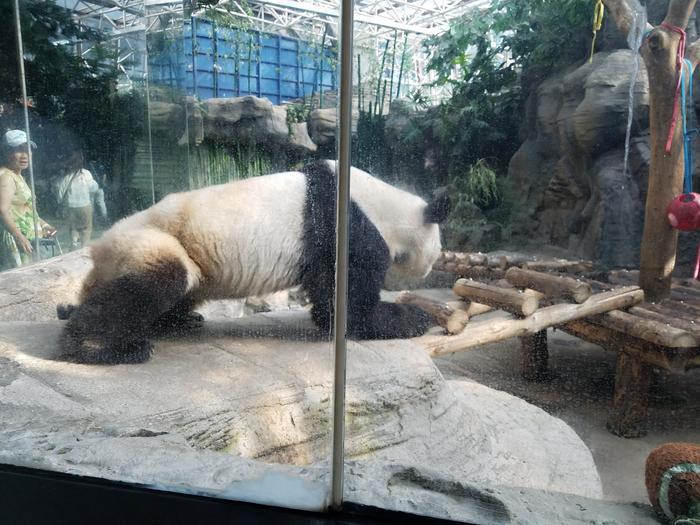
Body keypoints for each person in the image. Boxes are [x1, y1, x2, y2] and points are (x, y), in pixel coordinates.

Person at [0, 129, 56, 270]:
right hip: (19, 241)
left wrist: (43, 225)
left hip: (29, 240)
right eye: (19, 149)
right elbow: (2, 209)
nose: (24, 155)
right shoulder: (6, 177)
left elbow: (26, 210)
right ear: (6, 152)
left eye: (27, 149)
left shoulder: (18, 176)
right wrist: (18, 236)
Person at [55, 149, 103, 250]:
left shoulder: (67, 177)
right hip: (84, 206)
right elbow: (93, 187)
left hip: (70, 207)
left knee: (73, 227)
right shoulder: (86, 174)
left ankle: (74, 241)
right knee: (86, 228)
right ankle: (84, 246)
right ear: (81, 161)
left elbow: (60, 192)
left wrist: (60, 203)